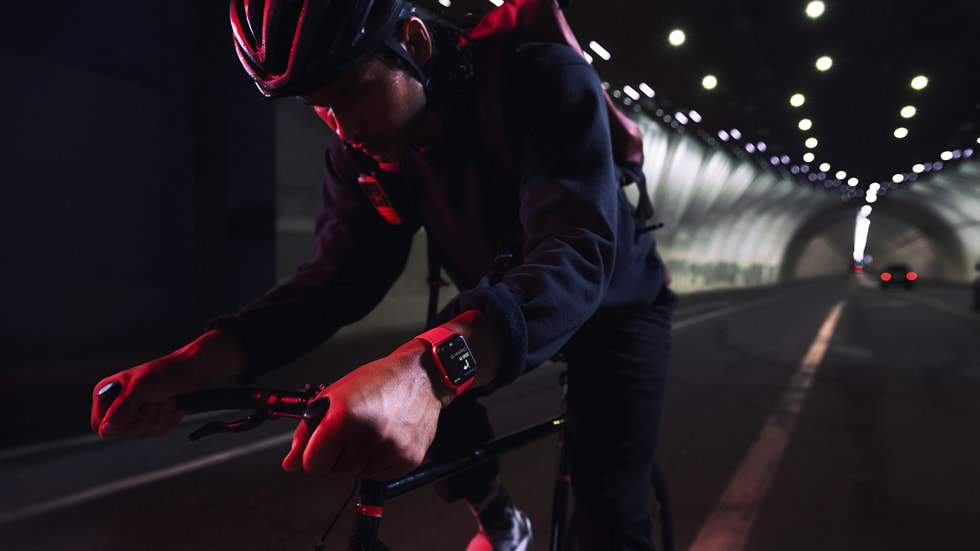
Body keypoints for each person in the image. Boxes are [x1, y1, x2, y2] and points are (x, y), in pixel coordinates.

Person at [90, 1, 676, 549]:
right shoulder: (363, 155)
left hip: (616, 313)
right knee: (393, 382)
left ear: (413, 43)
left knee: (609, 509)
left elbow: (574, 249)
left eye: (351, 92)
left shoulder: (541, 78)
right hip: (504, 305)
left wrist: (432, 373)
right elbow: (336, 278)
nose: (342, 126)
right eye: (319, 106)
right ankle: (499, 517)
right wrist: (191, 367)